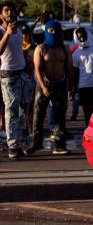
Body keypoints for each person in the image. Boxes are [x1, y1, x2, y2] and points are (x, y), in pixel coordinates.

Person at [26, 21, 72, 155]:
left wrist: (70, 87)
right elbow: (38, 70)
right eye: (50, 31)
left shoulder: (65, 48)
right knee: (38, 114)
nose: (53, 33)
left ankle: (58, 144)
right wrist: (42, 86)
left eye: (55, 31)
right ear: (46, 32)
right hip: (44, 84)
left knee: (59, 115)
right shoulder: (40, 48)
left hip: (60, 84)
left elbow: (69, 69)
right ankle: (36, 142)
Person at [0, 2, 31, 159]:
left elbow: (22, 49)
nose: (10, 12)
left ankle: (20, 142)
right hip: (8, 75)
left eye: (12, 10)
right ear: (1, 15)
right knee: (11, 110)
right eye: (6, 10)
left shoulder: (19, 29)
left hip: (22, 73)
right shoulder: (1, 31)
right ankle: (12, 145)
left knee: (23, 110)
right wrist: (7, 33)